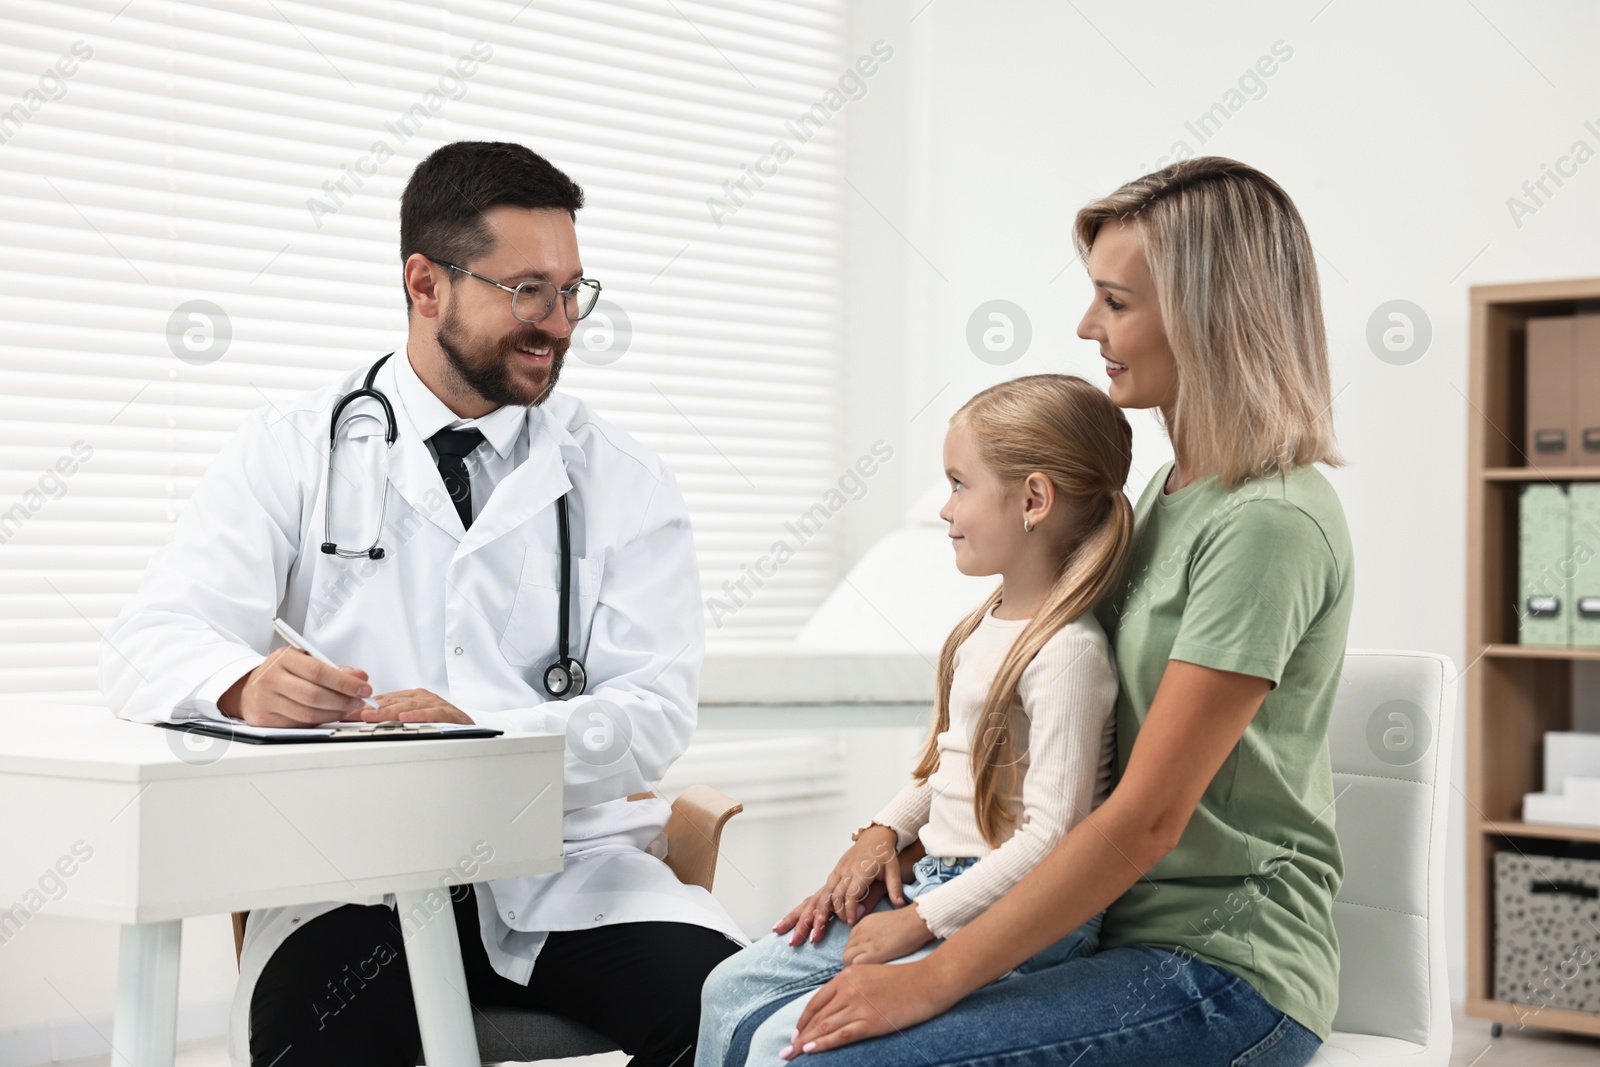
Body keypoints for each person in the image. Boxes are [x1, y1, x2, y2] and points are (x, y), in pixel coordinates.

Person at [100, 141, 745, 1067]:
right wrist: (243, 685)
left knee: (750, 1023)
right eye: (527, 291)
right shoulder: (292, 449)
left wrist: (478, 730)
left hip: (571, 873)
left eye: (572, 291)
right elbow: (147, 640)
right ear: (425, 283)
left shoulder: (625, 480)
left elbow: (652, 715)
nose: (559, 323)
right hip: (353, 882)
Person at [777, 156, 1352, 1066]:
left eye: (1116, 302)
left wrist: (928, 973)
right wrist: (892, 828)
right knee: (752, 1007)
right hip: (1093, 927)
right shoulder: (1169, 493)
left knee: (839, 1055)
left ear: (1209, 313)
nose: (1089, 327)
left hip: (1218, 969)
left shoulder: (1267, 524)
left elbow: (1147, 821)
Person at [697, 374, 1134, 1065]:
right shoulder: (983, 627)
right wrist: (885, 829)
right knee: (727, 988)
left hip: (1012, 913)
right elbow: (954, 762)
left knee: (791, 1038)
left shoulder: (1069, 653)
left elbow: (1052, 838)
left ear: (1033, 498)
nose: (944, 508)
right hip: (938, 884)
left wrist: (920, 923)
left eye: (959, 483)